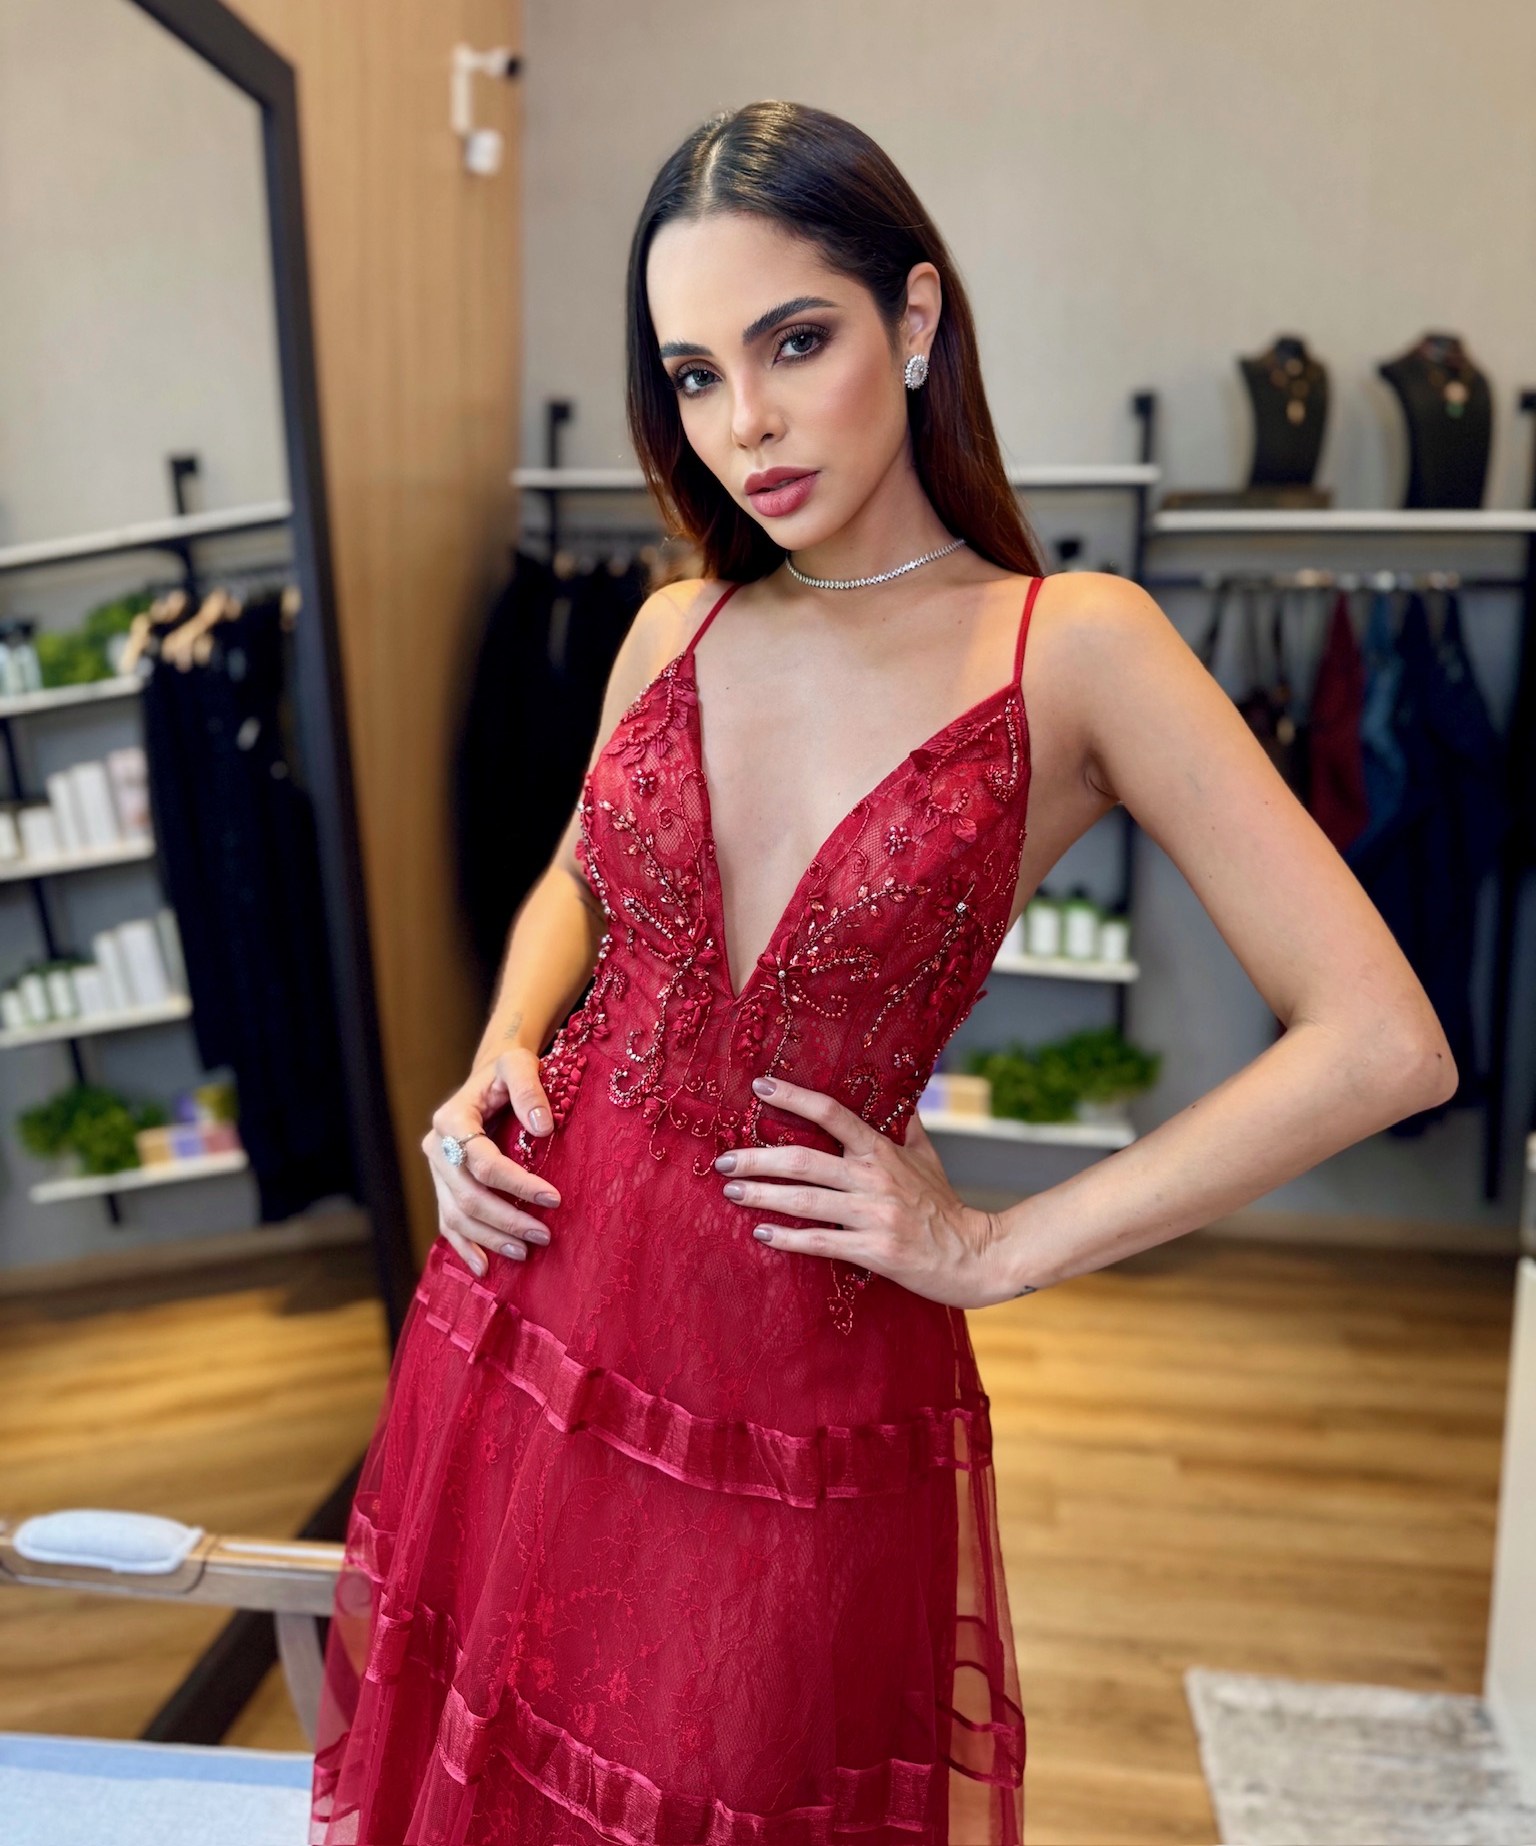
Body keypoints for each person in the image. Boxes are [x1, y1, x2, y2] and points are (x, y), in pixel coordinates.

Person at [309, 103, 1454, 1846]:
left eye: (795, 343)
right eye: (696, 375)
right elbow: (574, 879)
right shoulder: (676, 624)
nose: (746, 424)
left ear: (915, 317)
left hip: (799, 1359)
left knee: (727, 1787)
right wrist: (495, 1055)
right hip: (533, 1289)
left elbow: (1383, 1042)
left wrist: (996, 1249)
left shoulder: (1073, 645)